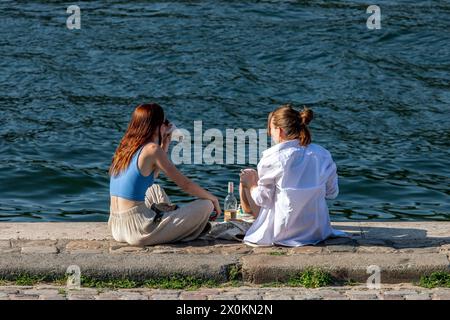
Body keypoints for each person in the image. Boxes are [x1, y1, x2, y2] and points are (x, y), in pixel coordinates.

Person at [108, 103, 221, 246]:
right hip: (140, 229)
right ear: (157, 126)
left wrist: (165, 142)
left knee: (154, 189)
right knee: (206, 205)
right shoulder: (152, 149)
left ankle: (164, 214)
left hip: (116, 226)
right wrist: (214, 199)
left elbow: (148, 177)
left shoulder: (124, 147)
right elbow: (185, 185)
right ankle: (170, 219)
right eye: (164, 123)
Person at [239, 104, 346, 247]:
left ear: (280, 131)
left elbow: (263, 199)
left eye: (270, 129)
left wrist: (251, 184)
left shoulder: (273, 158)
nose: (269, 133)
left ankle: (247, 215)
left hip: (282, 233)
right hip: (318, 230)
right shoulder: (322, 154)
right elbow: (332, 193)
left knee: (248, 175)